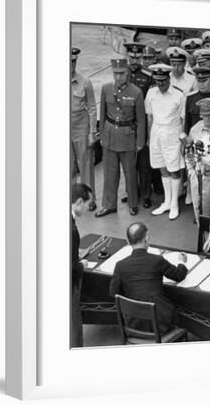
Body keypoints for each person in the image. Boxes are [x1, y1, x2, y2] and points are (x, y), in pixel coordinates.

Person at [109, 222, 188, 335]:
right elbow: (179, 275)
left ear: (128, 241)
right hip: (160, 321)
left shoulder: (120, 266)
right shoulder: (157, 260)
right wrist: (181, 262)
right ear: (146, 238)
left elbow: (113, 293)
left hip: (133, 322)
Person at [96, 58, 146, 217]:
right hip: (110, 136)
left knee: (130, 173)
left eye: (122, 73)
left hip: (127, 137)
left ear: (127, 73)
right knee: (109, 174)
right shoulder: (106, 89)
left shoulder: (136, 92)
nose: (118, 77)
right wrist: (102, 136)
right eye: (115, 73)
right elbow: (102, 114)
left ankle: (132, 203)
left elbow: (141, 120)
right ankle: (109, 205)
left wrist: (140, 142)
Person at [145, 64, 186, 220]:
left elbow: (183, 119)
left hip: (172, 133)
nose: (160, 84)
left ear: (168, 78)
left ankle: (174, 203)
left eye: (163, 80)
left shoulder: (178, 95)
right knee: (162, 168)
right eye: (157, 80)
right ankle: (167, 202)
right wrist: (150, 137)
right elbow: (149, 116)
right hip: (156, 132)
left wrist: (182, 140)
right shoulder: (151, 93)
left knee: (174, 169)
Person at [122, 42, 155, 209]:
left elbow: (151, 103)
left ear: (141, 57)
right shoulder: (121, 74)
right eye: (131, 57)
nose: (134, 60)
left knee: (144, 164)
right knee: (128, 163)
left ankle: (145, 194)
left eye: (138, 57)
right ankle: (131, 192)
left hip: (141, 124)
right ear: (127, 56)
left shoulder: (148, 76)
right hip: (126, 125)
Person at [70, 48, 97, 211]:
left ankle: (89, 200)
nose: (71, 65)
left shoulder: (85, 82)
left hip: (81, 126)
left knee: (86, 165)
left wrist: (92, 132)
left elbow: (92, 107)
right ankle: (72, 200)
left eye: (74, 61)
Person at [71, 183, 93, 347]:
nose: (88, 208)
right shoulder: (71, 229)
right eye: (88, 203)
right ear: (79, 202)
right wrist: (81, 264)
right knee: (74, 326)